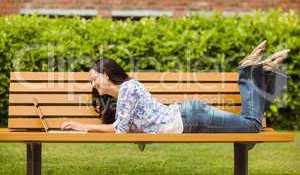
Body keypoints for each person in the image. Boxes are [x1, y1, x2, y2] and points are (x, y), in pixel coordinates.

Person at [61, 41, 290, 133]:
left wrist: (82, 126)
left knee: (252, 128)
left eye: (94, 78)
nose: (92, 84)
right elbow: (125, 126)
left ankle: (249, 71)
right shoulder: (124, 94)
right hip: (190, 117)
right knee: (250, 130)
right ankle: (260, 72)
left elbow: (120, 129)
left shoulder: (129, 89)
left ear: (107, 75)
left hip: (191, 118)